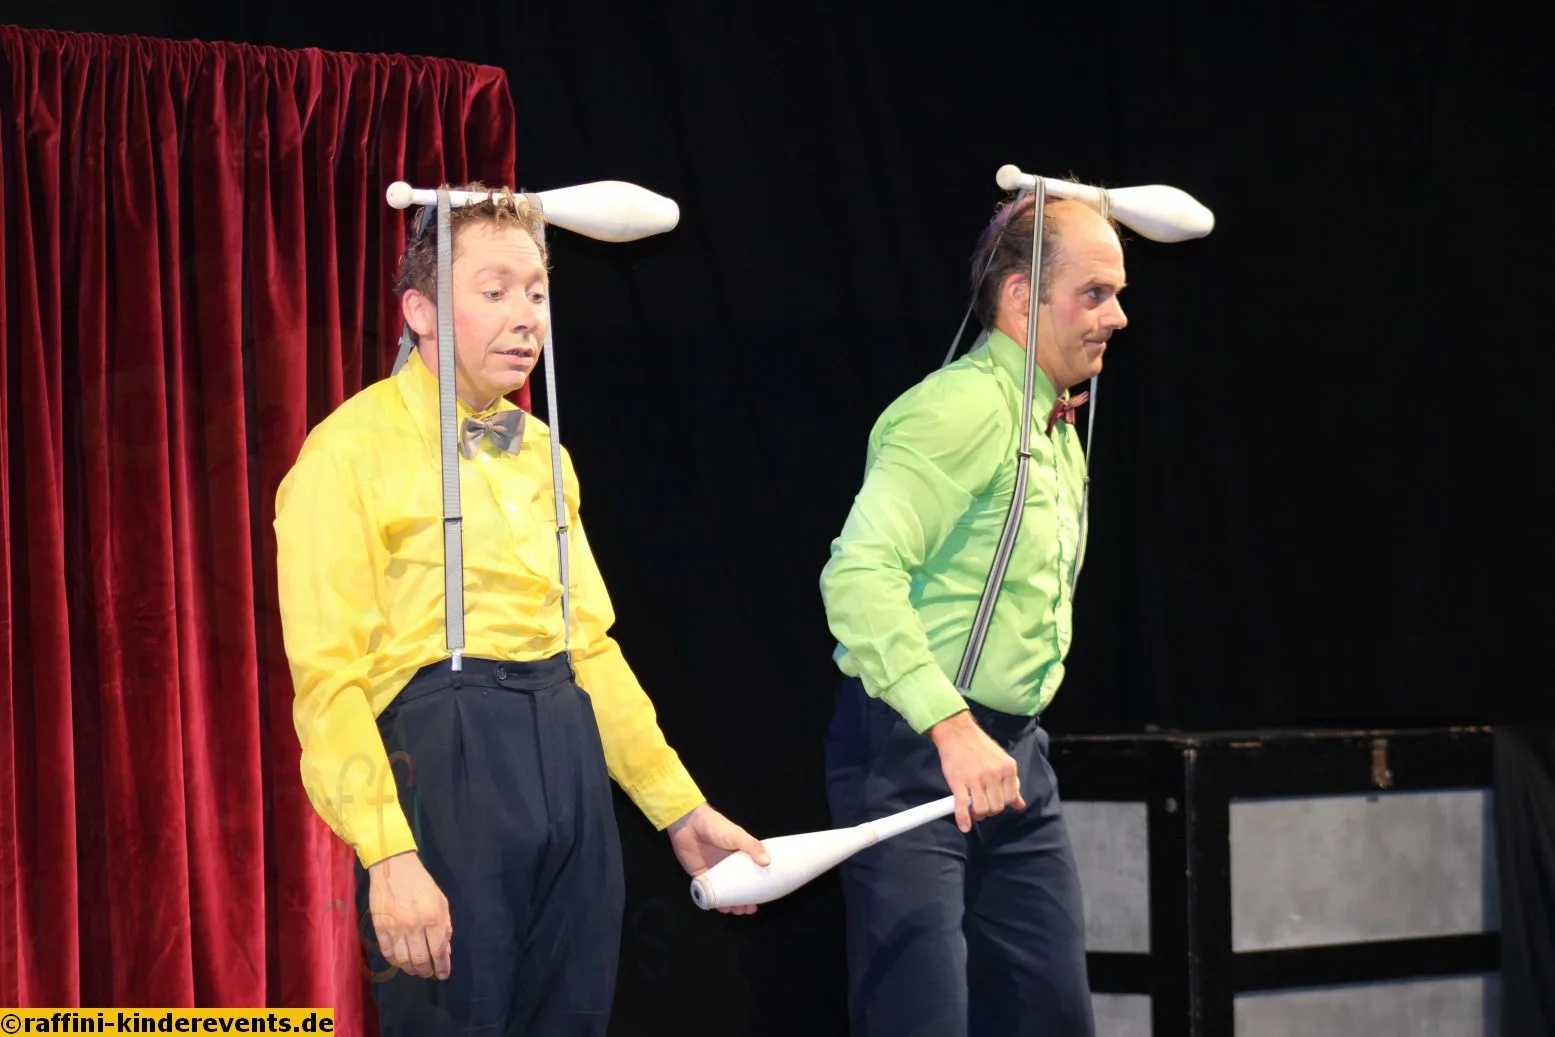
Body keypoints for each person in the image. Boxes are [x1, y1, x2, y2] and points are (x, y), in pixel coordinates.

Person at [273, 183, 768, 1037]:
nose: (525, 317)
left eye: (536, 293)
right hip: (443, 761)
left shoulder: (542, 451)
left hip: (566, 754)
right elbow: (328, 682)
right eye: (495, 291)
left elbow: (589, 647)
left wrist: (677, 808)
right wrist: (388, 851)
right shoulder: (344, 453)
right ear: (421, 312)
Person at [818, 189, 1129, 1037]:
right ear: (1021, 296)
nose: (1116, 316)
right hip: (915, 744)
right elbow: (858, 575)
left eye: (1115, 294)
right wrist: (951, 728)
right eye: (1094, 293)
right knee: (920, 1017)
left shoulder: (1056, 426)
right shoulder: (958, 408)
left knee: (1050, 1014)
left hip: (1012, 753)